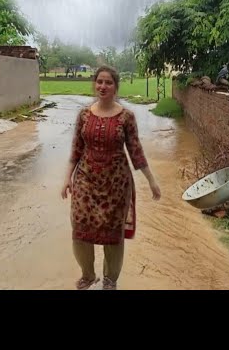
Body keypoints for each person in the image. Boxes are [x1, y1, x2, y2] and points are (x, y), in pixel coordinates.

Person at [62, 65, 161, 290]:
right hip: (85, 181)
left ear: (116, 87)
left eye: (108, 82)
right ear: (94, 84)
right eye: (99, 82)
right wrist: (67, 178)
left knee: (113, 235)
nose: (103, 86)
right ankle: (88, 275)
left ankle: (110, 280)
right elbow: (76, 150)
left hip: (116, 185)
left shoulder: (127, 116)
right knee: (79, 229)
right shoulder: (84, 115)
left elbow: (136, 151)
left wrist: (152, 181)